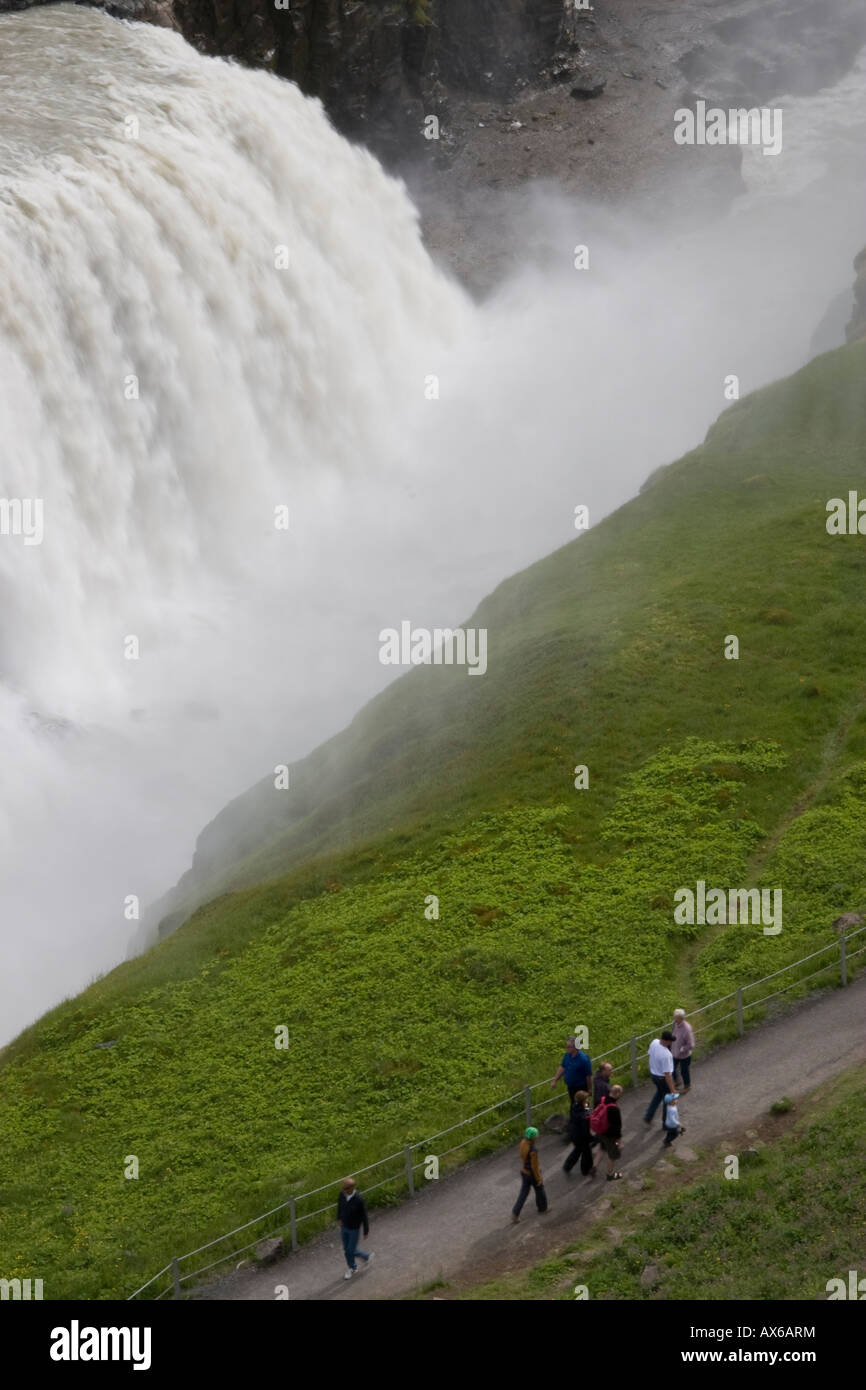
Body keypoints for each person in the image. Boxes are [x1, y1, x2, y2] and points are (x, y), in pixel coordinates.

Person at [337, 1177, 373, 1279]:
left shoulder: (359, 1200)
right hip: (344, 1227)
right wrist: (339, 1218)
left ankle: (352, 1268)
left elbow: (364, 1216)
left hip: (354, 1229)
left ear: (352, 1187)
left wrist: (366, 1231)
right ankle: (366, 1256)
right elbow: (339, 1206)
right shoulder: (342, 1195)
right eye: (343, 1188)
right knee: (347, 1249)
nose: (344, 1190)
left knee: (350, 1250)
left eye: (346, 1188)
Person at [512, 1127, 550, 1221]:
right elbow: (534, 1167)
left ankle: (515, 1213)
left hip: (524, 1171)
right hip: (531, 1174)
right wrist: (539, 1179)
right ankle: (543, 1208)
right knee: (540, 1190)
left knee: (523, 1193)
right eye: (536, 1135)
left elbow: (523, 1157)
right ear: (533, 1137)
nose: (538, 1136)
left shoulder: (523, 1143)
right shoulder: (533, 1150)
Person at [592, 1083, 624, 1180]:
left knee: (602, 1148)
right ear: (617, 1094)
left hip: (600, 1131)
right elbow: (616, 1128)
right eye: (621, 1093)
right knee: (613, 1155)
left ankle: (593, 1167)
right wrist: (619, 1142)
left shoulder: (603, 1100)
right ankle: (610, 1175)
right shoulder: (614, 1108)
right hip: (609, 1135)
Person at [643, 1032, 676, 1127]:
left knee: (658, 1094)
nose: (671, 1043)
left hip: (654, 1075)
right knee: (668, 1100)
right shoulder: (666, 1055)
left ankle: (648, 1116)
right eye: (670, 1041)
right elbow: (668, 1075)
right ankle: (665, 1123)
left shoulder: (654, 1042)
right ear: (666, 1041)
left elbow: (650, 1054)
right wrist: (672, 1089)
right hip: (662, 1079)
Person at [563, 1090, 595, 1178]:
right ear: (583, 1101)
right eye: (586, 1099)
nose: (587, 1100)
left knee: (577, 1150)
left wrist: (587, 1107)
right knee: (586, 1154)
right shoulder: (584, 1115)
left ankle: (567, 1166)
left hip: (574, 1134)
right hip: (582, 1136)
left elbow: (586, 1110)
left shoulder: (574, 1106)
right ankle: (586, 1170)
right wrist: (590, 1137)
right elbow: (585, 1127)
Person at [550, 1036, 592, 1103]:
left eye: (569, 1046)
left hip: (581, 1088)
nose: (566, 1048)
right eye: (566, 1046)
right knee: (573, 1105)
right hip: (571, 1087)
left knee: (582, 1106)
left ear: (575, 1047)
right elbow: (563, 1067)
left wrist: (589, 1089)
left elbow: (588, 1075)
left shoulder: (583, 1059)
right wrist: (555, 1080)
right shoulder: (567, 1055)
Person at [671, 1009, 695, 1092]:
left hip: (684, 1055)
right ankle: (677, 1081)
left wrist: (682, 1049)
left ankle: (687, 1085)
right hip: (675, 1053)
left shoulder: (686, 1029)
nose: (674, 1019)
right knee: (671, 1067)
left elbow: (691, 1044)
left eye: (676, 1018)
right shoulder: (675, 1024)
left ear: (681, 1018)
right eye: (675, 1017)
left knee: (684, 1071)